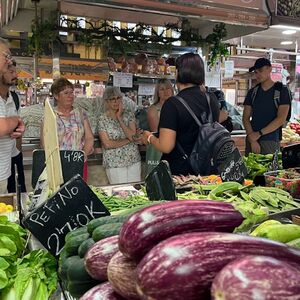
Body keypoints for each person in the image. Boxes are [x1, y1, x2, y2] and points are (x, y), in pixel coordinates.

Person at [141, 52, 220, 176]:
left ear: (178, 73)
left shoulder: (172, 104)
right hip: (207, 170)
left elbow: (166, 146)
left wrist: (149, 137)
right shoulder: (212, 99)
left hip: (181, 174)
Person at [40, 78, 94, 181]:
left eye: (71, 92)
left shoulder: (81, 113)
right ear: (56, 96)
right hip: (57, 165)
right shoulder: (49, 116)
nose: (70, 96)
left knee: (78, 192)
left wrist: (82, 156)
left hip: (79, 162)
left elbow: (89, 138)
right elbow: (44, 143)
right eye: (66, 93)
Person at [243, 58, 291, 155]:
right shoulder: (252, 92)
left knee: (269, 169)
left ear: (269, 69)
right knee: (249, 168)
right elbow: (245, 118)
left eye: (260, 71)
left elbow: (281, 119)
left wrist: (259, 134)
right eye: (256, 72)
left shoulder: (282, 91)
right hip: (251, 140)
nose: (258, 75)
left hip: (271, 140)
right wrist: (252, 138)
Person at [98, 86, 141, 184]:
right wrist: (130, 140)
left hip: (133, 160)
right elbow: (107, 144)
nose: (116, 101)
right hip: (114, 163)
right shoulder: (102, 119)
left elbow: (132, 135)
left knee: (135, 193)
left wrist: (119, 118)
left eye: (118, 98)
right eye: (112, 99)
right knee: (119, 193)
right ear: (106, 101)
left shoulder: (128, 114)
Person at [0, 38, 25, 194]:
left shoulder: (13, 98)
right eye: (5, 56)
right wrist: (16, 121)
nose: (8, 61)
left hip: (6, 165)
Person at [145, 79, 174, 175]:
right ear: (157, 92)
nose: (166, 91)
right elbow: (157, 132)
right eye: (162, 89)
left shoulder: (176, 105)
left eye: (168, 88)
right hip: (158, 148)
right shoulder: (153, 109)